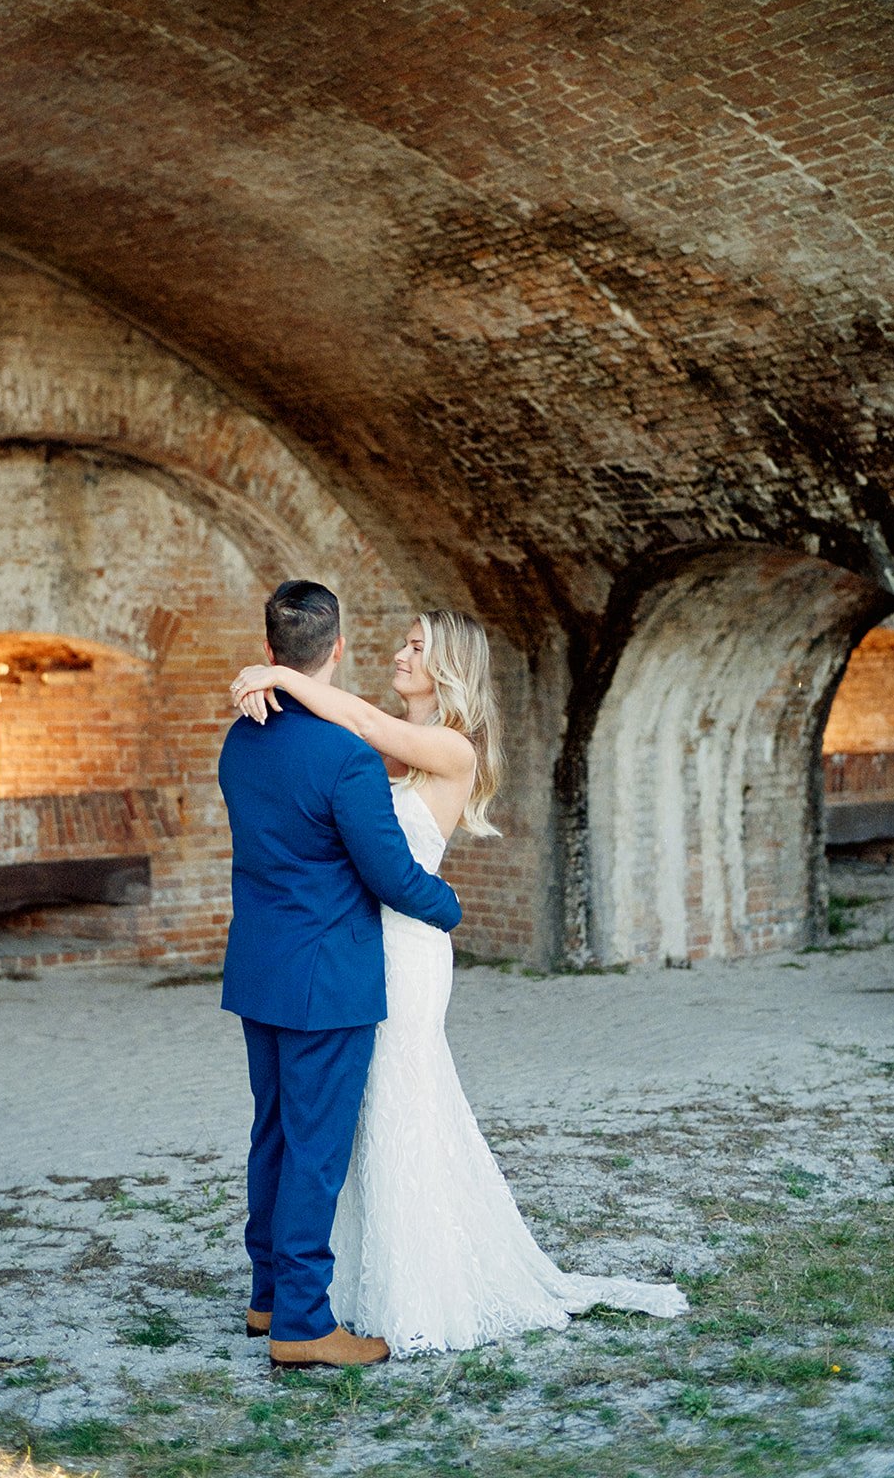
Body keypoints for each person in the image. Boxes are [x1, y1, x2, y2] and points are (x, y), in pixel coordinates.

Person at [230, 608, 689, 1357]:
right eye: (406, 642)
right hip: (351, 950)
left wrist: (277, 674)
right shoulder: (381, 755)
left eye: (419, 646)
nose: (403, 653)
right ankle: (317, 1291)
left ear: (449, 668)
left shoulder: (446, 748)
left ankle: (400, 1281)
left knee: (392, 1104)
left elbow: (357, 724)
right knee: (348, 1119)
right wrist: (279, 689)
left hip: (403, 952)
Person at [218, 581, 463, 1370]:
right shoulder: (346, 757)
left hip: (261, 969)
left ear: (268, 654)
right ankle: (301, 1325)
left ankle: (266, 1296)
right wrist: (448, 908)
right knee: (318, 1153)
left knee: (275, 1137)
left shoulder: (242, 738)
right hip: (328, 980)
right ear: (339, 648)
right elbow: (391, 875)